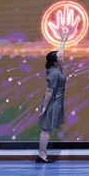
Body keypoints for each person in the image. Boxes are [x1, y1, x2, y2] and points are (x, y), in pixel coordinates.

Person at [37, 28, 69, 163]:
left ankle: (42, 153)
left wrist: (63, 41)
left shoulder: (56, 67)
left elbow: (59, 54)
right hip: (53, 103)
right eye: (60, 58)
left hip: (56, 102)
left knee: (48, 129)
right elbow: (49, 91)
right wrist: (44, 107)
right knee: (46, 129)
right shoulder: (55, 73)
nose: (63, 57)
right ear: (56, 62)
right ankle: (42, 154)